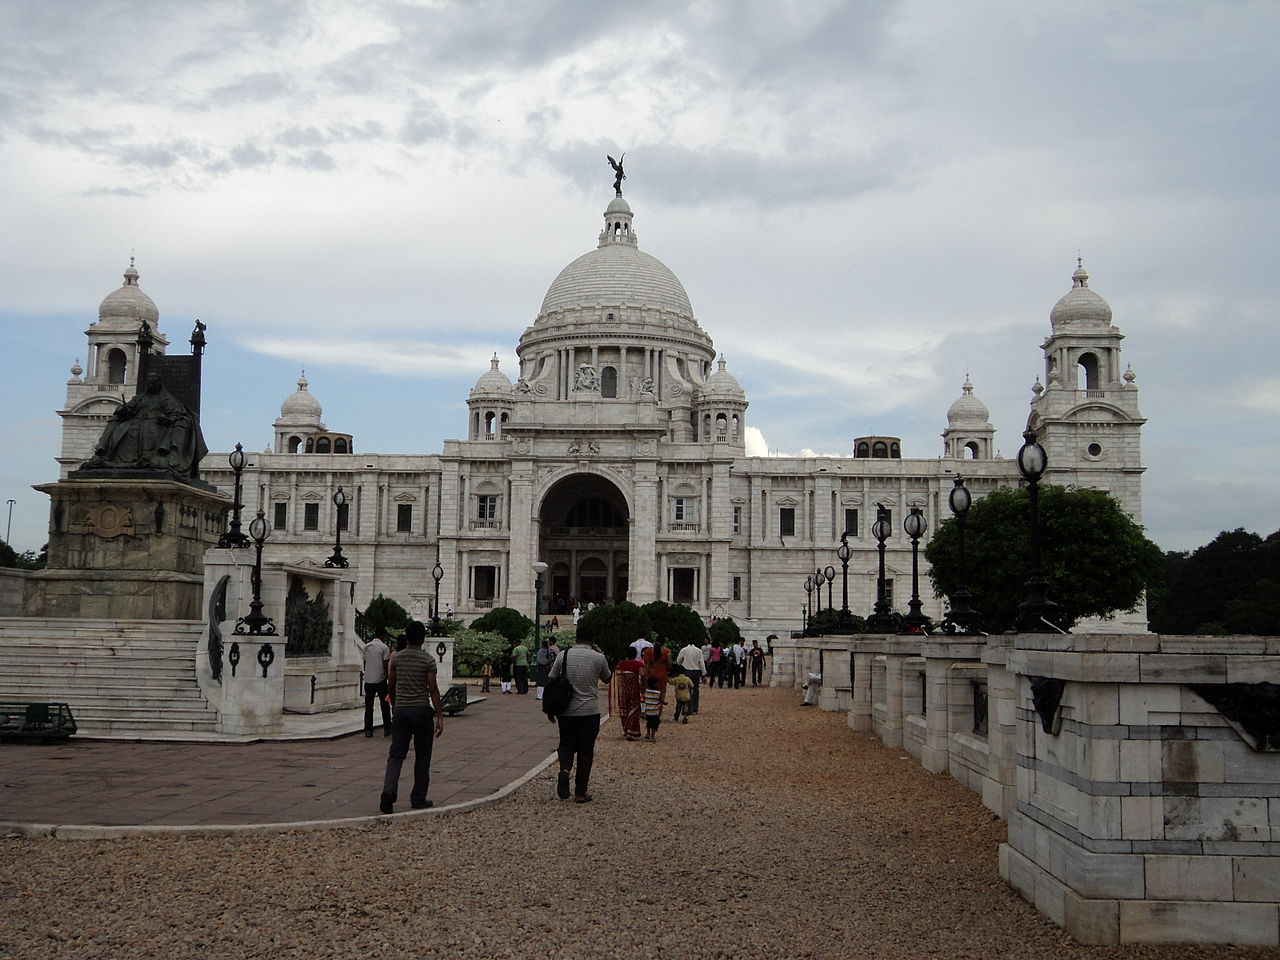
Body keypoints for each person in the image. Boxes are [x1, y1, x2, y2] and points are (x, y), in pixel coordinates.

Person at [380, 620, 444, 814]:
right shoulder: (428, 660)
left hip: (402, 710)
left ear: (407, 637)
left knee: (396, 755)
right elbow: (432, 689)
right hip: (421, 710)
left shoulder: (397, 658)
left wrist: (395, 704)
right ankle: (418, 797)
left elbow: (391, 684)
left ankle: (389, 791)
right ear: (423, 639)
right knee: (423, 756)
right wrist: (439, 716)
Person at [547, 622, 612, 802]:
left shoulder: (564, 655)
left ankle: (565, 770)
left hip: (566, 711)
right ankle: (580, 792)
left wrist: (550, 710)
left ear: (576, 637)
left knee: (566, 744)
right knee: (586, 750)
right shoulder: (598, 657)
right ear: (592, 639)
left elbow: (551, 679)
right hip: (589, 711)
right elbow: (607, 679)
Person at [357, 627, 392, 737]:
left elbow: (365, 661)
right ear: (383, 636)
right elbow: (385, 664)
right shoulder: (384, 647)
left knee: (369, 706)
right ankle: (387, 728)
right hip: (380, 679)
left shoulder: (366, 647)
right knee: (384, 705)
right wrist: (388, 677)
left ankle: (368, 729)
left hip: (368, 679)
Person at [611, 645, 645, 740]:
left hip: (622, 690)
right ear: (635, 654)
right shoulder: (638, 664)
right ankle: (631, 731)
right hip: (633, 689)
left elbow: (616, 675)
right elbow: (642, 674)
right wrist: (643, 686)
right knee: (633, 709)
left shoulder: (621, 664)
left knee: (624, 709)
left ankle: (626, 730)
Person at [675, 638, 704, 714]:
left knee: (687, 690)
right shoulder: (699, 651)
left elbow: (678, 661)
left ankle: (688, 708)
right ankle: (695, 708)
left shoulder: (683, 650)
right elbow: (701, 663)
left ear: (687, 641)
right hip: (696, 672)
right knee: (695, 689)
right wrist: (704, 673)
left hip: (686, 671)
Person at [640, 676, 664, 741]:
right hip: (654, 712)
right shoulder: (658, 693)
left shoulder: (646, 691)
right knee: (654, 725)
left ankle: (648, 733)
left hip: (648, 711)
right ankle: (652, 737)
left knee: (649, 723)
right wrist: (664, 703)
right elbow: (661, 700)